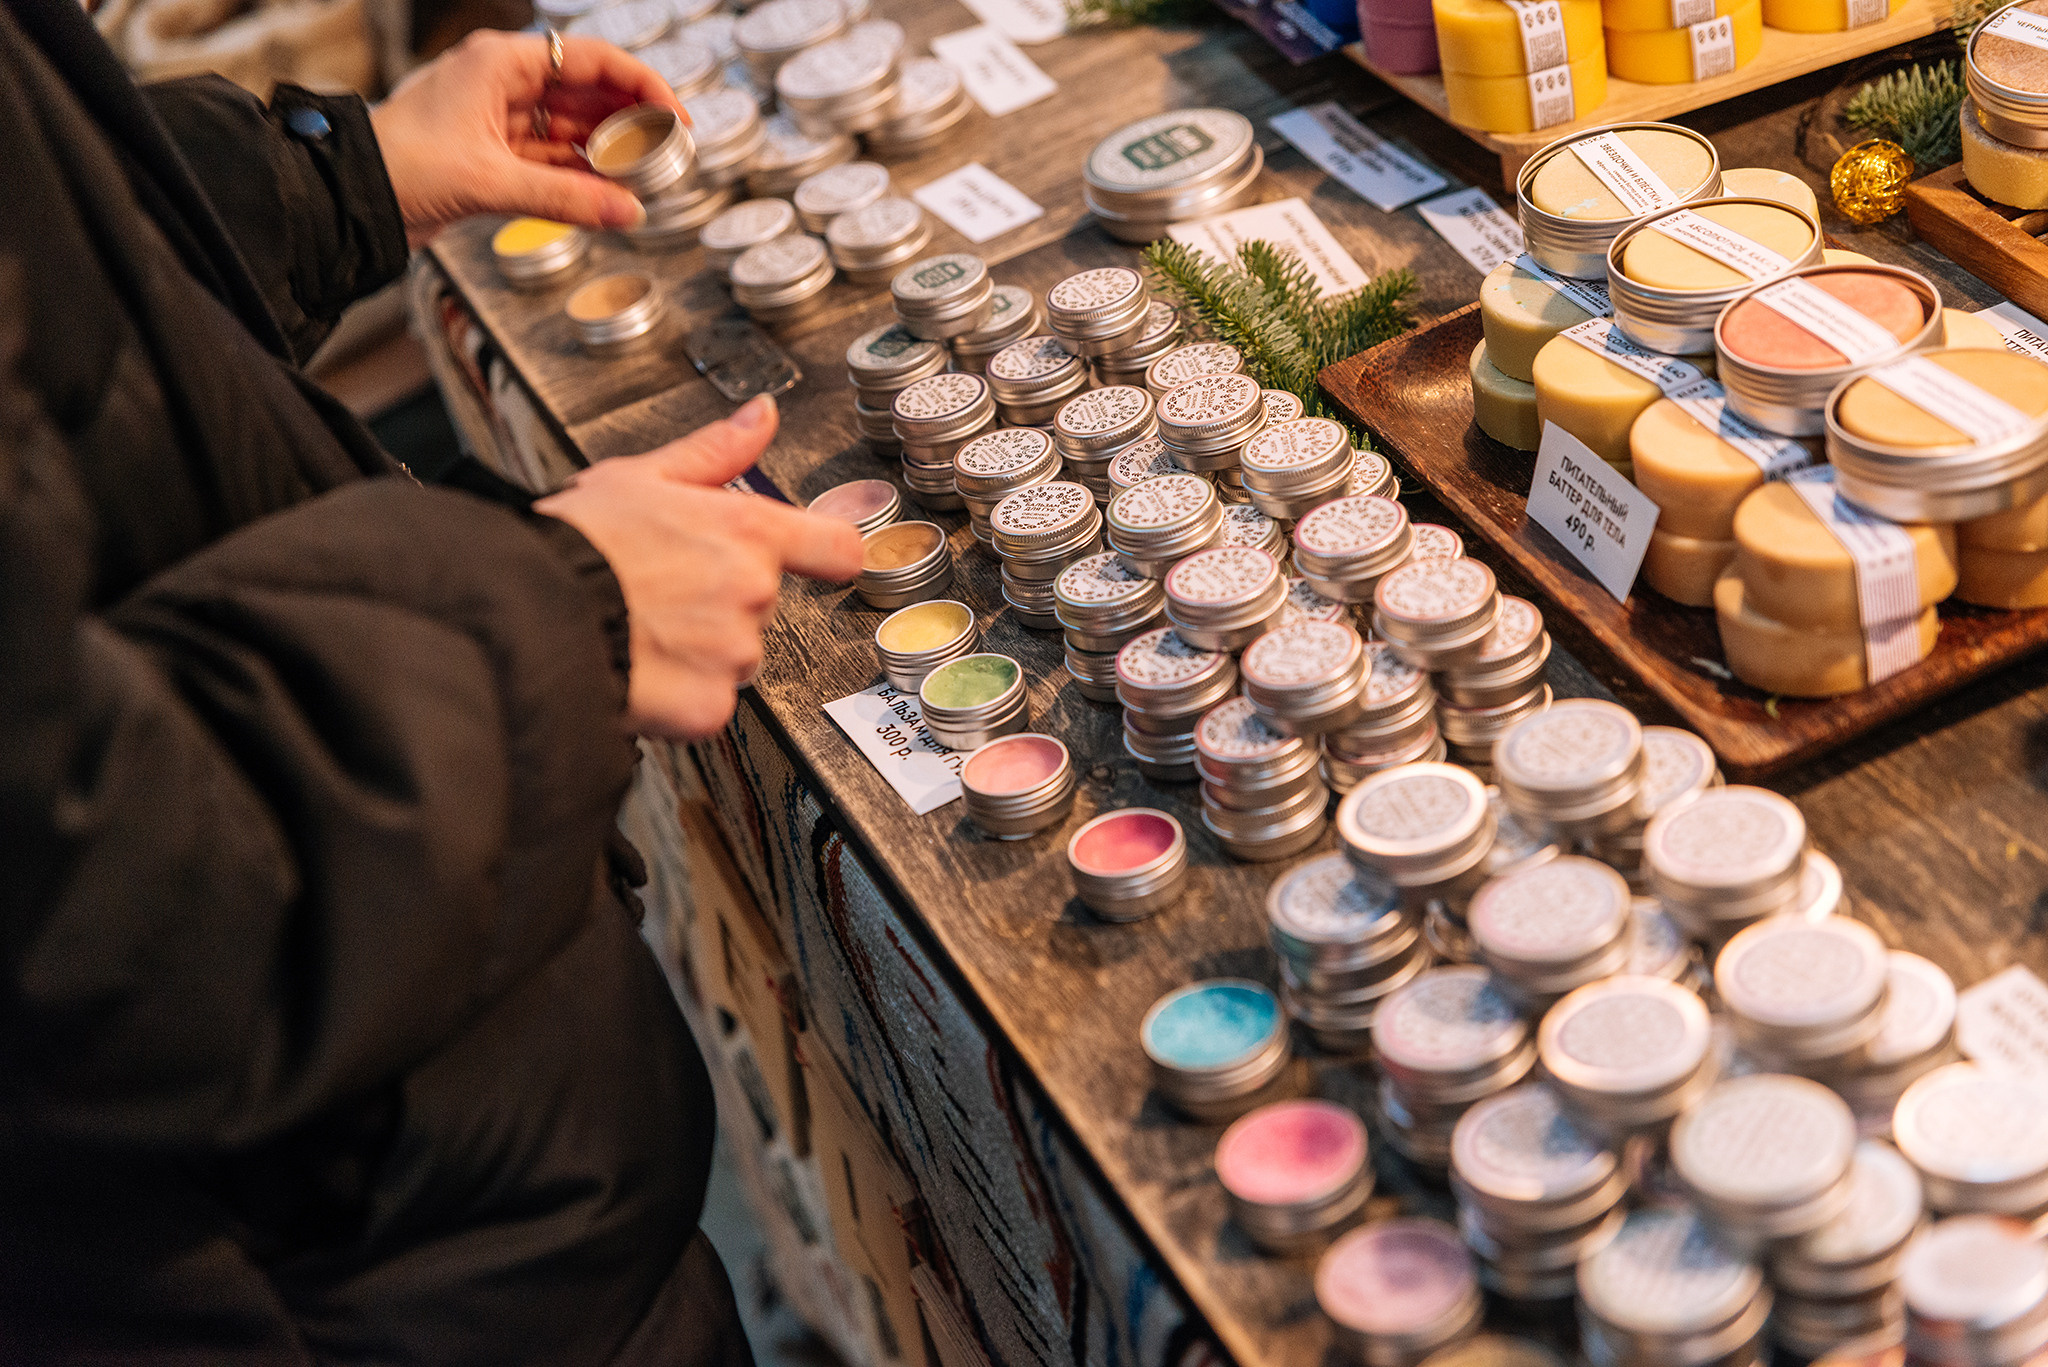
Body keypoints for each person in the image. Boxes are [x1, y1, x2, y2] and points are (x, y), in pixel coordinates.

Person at [0, 0, 862, 1361]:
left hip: (412, 1188)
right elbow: (75, 880)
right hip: (307, 1276)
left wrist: (329, 177)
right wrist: (568, 607)